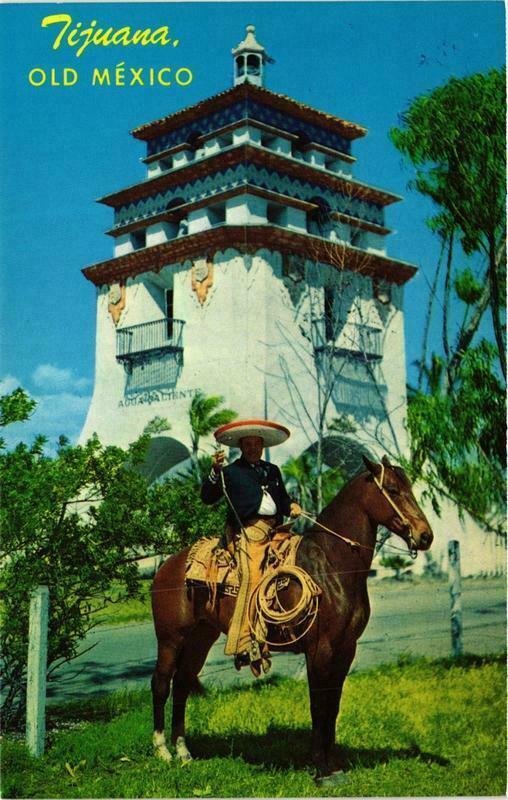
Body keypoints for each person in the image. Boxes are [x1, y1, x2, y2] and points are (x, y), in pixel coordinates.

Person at [200, 419, 302, 676]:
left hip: (278, 530)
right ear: (242, 446)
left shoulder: (273, 470)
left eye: (258, 443)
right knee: (252, 576)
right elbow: (207, 497)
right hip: (250, 532)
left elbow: (283, 499)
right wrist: (214, 471)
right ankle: (249, 640)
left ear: (263, 445)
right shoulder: (231, 472)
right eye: (249, 444)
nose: (254, 448)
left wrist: (292, 506)